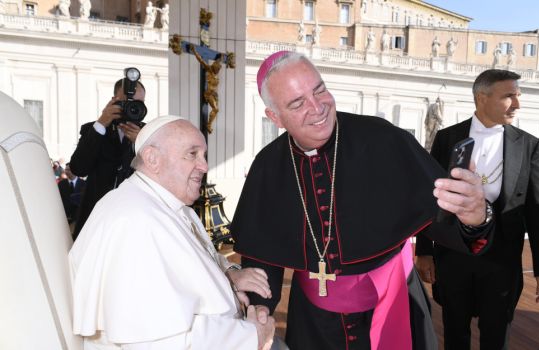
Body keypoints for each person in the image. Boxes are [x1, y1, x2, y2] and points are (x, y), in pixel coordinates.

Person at [231, 51, 495, 350]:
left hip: (396, 303)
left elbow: (445, 222)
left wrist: (476, 218)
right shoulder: (268, 166)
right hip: (315, 325)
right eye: (297, 102)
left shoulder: (384, 140)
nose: (317, 107)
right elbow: (262, 258)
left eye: (319, 90)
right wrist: (259, 307)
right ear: (275, 117)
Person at [69, 115, 276, 350]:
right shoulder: (135, 222)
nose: (205, 166)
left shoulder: (167, 205)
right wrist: (251, 335)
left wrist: (228, 283)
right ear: (152, 158)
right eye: (192, 154)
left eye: (204, 155)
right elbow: (163, 341)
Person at [416, 69, 539, 350]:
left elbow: (537, 211)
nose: (517, 104)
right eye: (509, 96)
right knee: (455, 334)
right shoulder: (447, 138)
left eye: (518, 96)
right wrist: (425, 251)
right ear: (482, 97)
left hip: (502, 261)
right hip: (454, 256)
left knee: (496, 337)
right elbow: (432, 197)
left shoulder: (529, 145)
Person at [69, 78, 145, 240]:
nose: (132, 108)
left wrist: (142, 144)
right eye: (127, 102)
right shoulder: (94, 129)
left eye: (138, 103)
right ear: (114, 101)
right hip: (95, 221)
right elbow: (78, 168)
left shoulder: (149, 134)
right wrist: (102, 123)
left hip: (133, 221)